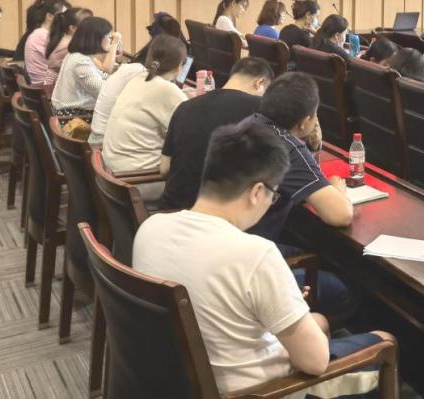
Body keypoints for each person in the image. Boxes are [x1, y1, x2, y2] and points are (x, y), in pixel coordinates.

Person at [133, 119, 387, 397]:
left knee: (320, 322)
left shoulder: (150, 229)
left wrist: (285, 303)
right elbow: (315, 363)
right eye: (273, 195)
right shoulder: (254, 254)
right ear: (256, 192)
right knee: (383, 342)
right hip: (263, 390)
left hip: (181, 380)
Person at [159, 57, 274, 210]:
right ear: (260, 83)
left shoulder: (185, 106)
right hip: (217, 216)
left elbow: (164, 169)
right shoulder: (260, 108)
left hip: (171, 211)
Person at [248, 72, 352, 240]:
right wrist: (339, 192)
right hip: (255, 246)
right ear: (304, 122)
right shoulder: (288, 149)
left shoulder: (249, 123)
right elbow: (341, 215)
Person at [102, 35, 188, 178]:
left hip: (113, 173)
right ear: (179, 66)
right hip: (138, 177)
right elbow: (192, 129)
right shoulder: (167, 90)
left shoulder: (136, 80)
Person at [51, 17, 121, 122]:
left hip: (74, 114)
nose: (110, 41)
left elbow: (101, 75)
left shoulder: (79, 55)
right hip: (74, 118)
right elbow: (103, 92)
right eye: (109, 37)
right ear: (97, 39)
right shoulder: (80, 60)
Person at [24, 0, 69, 84]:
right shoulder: (43, 36)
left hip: (42, 84)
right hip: (45, 85)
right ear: (49, 16)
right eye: (62, 16)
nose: (66, 20)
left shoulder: (39, 33)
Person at [44, 6, 93, 84]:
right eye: (87, 24)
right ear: (73, 28)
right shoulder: (70, 45)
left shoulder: (65, 38)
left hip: (54, 84)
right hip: (54, 86)